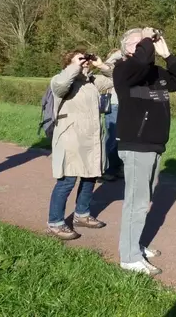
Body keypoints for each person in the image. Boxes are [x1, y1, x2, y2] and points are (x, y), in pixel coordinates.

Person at [113, 27, 176, 276]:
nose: (146, 46)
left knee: (143, 201)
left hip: (154, 144)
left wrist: (167, 54)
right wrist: (147, 39)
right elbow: (139, 61)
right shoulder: (124, 69)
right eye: (139, 43)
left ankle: (134, 244)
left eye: (146, 42)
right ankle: (129, 256)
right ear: (128, 48)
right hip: (136, 144)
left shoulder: (155, 72)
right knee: (136, 204)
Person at [46, 49, 114, 240]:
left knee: (90, 176)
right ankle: (55, 222)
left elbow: (116, 79)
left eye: (86, 59)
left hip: (91, 140)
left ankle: (82, 214)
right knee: (67, 181)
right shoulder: (61, 79)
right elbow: (60, 86)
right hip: (71, 139)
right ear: (69, 63)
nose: (85, 62)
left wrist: (100, 65)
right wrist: (74, 65)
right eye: (80, 59)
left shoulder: (92, 82)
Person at [101, 48, 124, 182]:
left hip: (125, 106)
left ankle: (118, 167)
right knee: (113, 137)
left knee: (122, 138)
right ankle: (107, 168)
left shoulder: (125, 70)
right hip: (114, 105)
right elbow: (105, 66)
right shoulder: (111, 72)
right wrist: (119, 54)